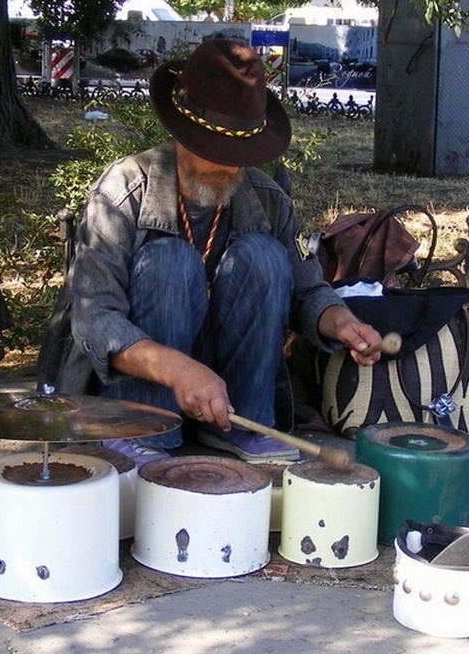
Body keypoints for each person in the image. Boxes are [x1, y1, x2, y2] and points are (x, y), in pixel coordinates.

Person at [57, 38, 383, 465]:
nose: (231, 167)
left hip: (227, 391)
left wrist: (340, 323)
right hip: (137, 396)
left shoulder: (266, 200)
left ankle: (238, 428)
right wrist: (175, 369)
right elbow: (94, 318)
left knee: (264, 257)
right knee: (168, 262)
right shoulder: (122, 191)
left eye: (241, 152)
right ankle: (144, 433)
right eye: (218, 150)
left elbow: (306, 292)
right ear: (182, 133)